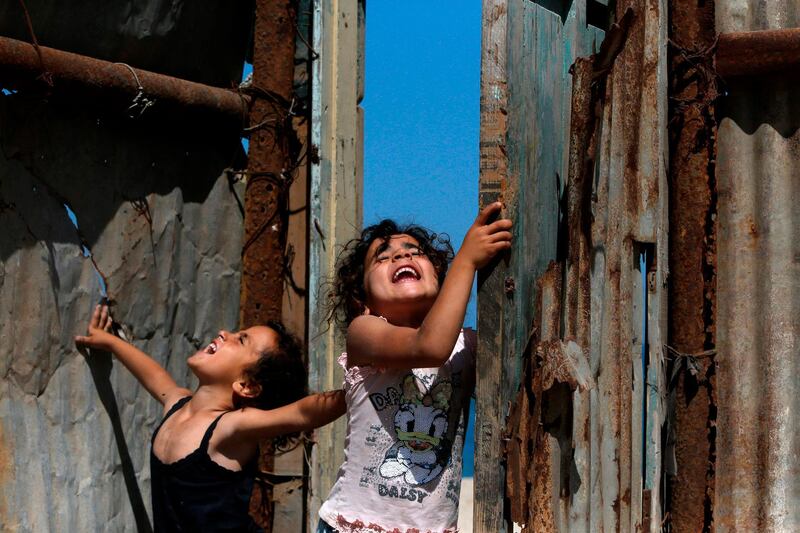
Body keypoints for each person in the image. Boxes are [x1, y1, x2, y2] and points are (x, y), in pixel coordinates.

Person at [317, 202, 512, 532]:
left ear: (439, 279)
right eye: (382, 256)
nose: (401, 256)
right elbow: (429, 347)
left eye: (415, 251)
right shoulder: (364, 333)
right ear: (360, 301)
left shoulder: (469, 346)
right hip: (355, 527)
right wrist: (467, 260)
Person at [75, 304, 345, 532]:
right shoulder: (177, 404)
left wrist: (359, 388)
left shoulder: (231, 427)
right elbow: (154, 375)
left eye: (241, 340)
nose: (224, 333)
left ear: (247, 385)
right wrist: (110, 342)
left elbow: (302, 413)